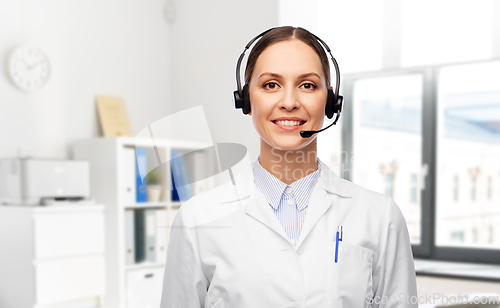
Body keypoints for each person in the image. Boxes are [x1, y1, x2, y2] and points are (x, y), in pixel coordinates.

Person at [160, 26, 418, 308]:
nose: (289, 102)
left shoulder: (381, 217)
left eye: (307, 85)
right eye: (271, 85)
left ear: (330, 101)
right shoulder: (197, 220)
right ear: (246, 100)